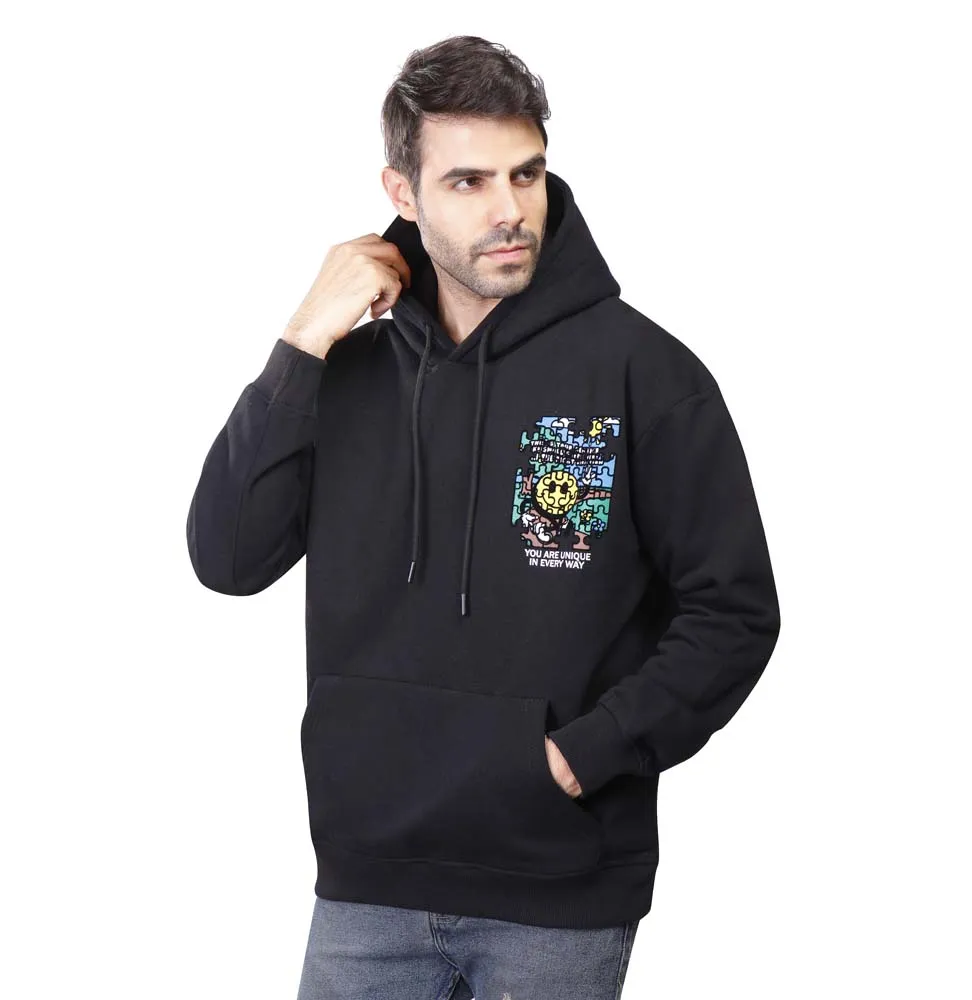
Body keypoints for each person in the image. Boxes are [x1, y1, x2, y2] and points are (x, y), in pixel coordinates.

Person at [186, 34, 780, 1000]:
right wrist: (301, 341)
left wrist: (582, 757)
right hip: (367, 884)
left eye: (526, 173)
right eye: (467, 181)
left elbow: (735, 613)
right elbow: (227, 556)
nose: (509, 210)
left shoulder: (646, 375)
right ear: (403, 192)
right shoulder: (343, 373)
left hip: (559, 890)